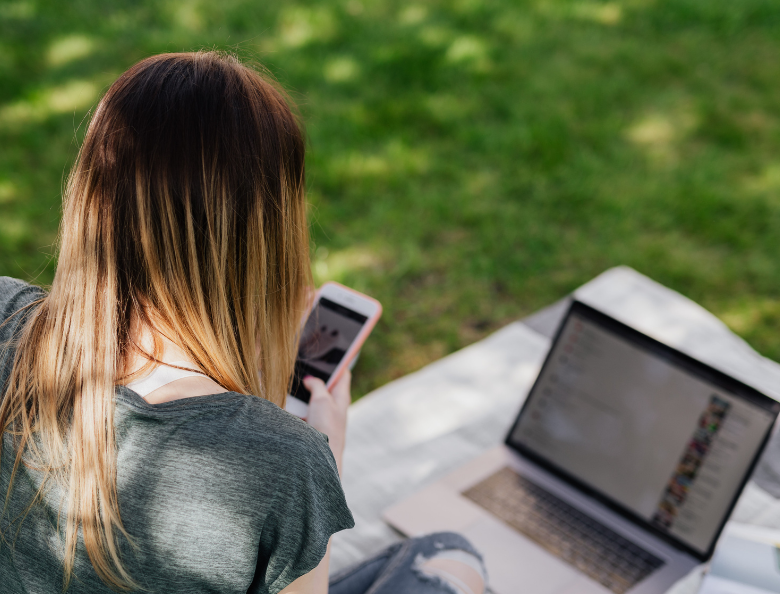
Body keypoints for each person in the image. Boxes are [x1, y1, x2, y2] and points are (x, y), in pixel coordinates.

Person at [0, 52, 486, 594]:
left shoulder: (6, 316)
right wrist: (324, 453)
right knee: (450, 559)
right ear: (267, 235)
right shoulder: (282, 463)